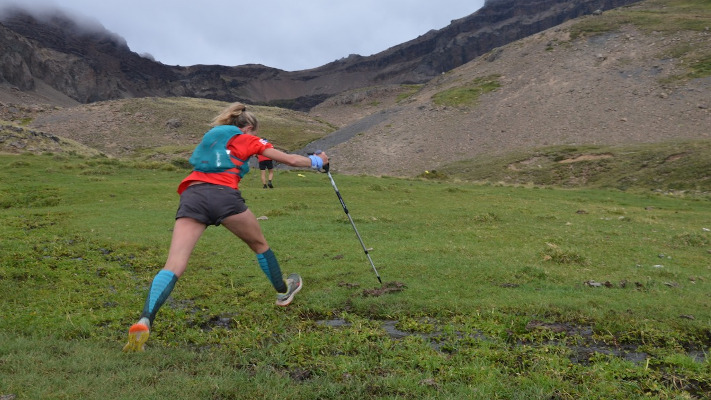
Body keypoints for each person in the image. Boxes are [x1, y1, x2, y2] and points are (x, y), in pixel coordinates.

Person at [123, 102, 328, 352]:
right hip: (224, 196)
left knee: (174, 264)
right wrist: (318, 161)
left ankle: (145, 319)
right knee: (259, 245)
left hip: (192, 194)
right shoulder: (250, 139)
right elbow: (292, 160)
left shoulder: (211, 136)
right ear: (249, 127)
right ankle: (283, 291)